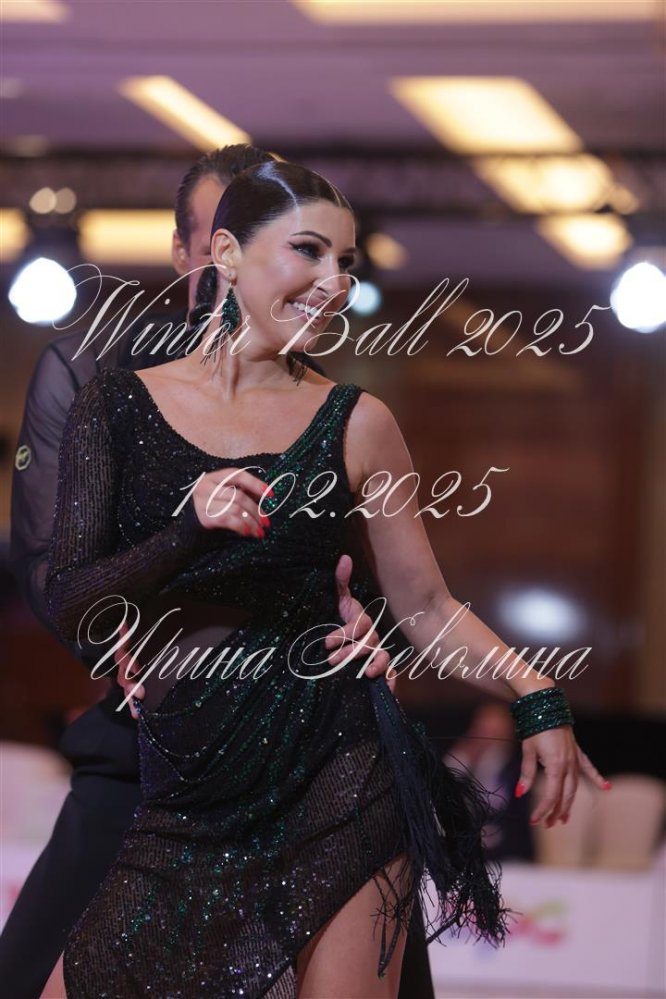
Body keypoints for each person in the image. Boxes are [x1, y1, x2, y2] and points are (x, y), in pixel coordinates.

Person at [41, 161, 608, 998]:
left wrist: (536, 691)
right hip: (182, 800)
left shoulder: (359, 421)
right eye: (307, 251)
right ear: (226, 254)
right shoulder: (115, 407)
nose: (332, 281)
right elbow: (72, 602)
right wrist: (186, 530)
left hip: (337, 775)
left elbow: (425, 605)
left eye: (345, 262)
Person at [2, 146, 421, 999]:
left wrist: (372, 632)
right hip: (146, 750)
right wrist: (131, 626)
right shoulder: (97, 373)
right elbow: (51, 569)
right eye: (227, 237)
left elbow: (380, 584)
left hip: (311, 751)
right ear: (195, 251)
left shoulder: (336, 407)